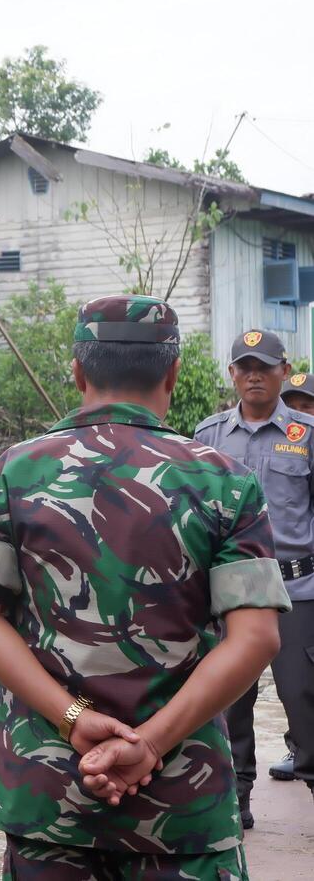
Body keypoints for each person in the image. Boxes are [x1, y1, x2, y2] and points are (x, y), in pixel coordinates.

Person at [0, 296, 287, 878]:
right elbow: (256, 639)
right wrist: (149, 744)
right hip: (183, 802)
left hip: (49, 794)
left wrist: (71, 716)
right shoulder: (225, 483)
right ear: (172, 373)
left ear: (78, 371)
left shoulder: (9, 473)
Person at [194, 330, 314, 823]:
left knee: (303, 697)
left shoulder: (306, 436)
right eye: (244, 367)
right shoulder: (207, 437)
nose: (254, 376)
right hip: (231, 590)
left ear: (284, 372)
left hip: (297, 589)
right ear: (232, 375)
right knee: (229, 700)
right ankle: (234, 797)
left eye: (264, 367)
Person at [269, 370, 314, 783]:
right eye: (293, 404)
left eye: (308, 405)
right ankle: (294, 747)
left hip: (303, 584)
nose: (298, 413)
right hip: (258, 584)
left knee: (302, 685)